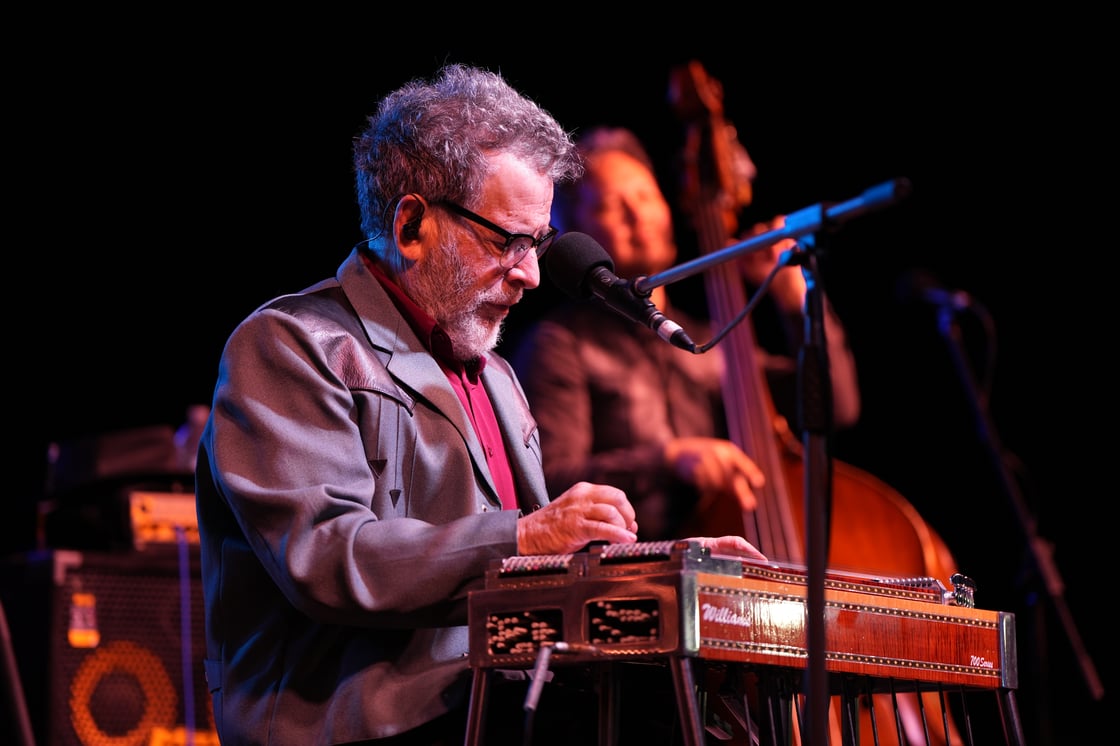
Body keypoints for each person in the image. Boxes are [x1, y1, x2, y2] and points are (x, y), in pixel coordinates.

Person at [194, 65, 765, 746]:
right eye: (508, 242)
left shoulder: (495, 376)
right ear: (411, 225)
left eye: (539, 244)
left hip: (486, 701)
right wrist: (523, 536)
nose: (529, 275)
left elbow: (536, 575)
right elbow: (326, 556)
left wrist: (665, 570)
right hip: (362, 723)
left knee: (711, 716)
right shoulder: (289, 346)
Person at [511, 126, 862, 543]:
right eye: (610, 205)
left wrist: (798, 305)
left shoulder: (713, 341)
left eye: (645, 197)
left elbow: (835, 406)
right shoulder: (561, 344)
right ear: (574, 230)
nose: (637, 216)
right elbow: (548, 484)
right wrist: (669, 460)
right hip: (629, 575)